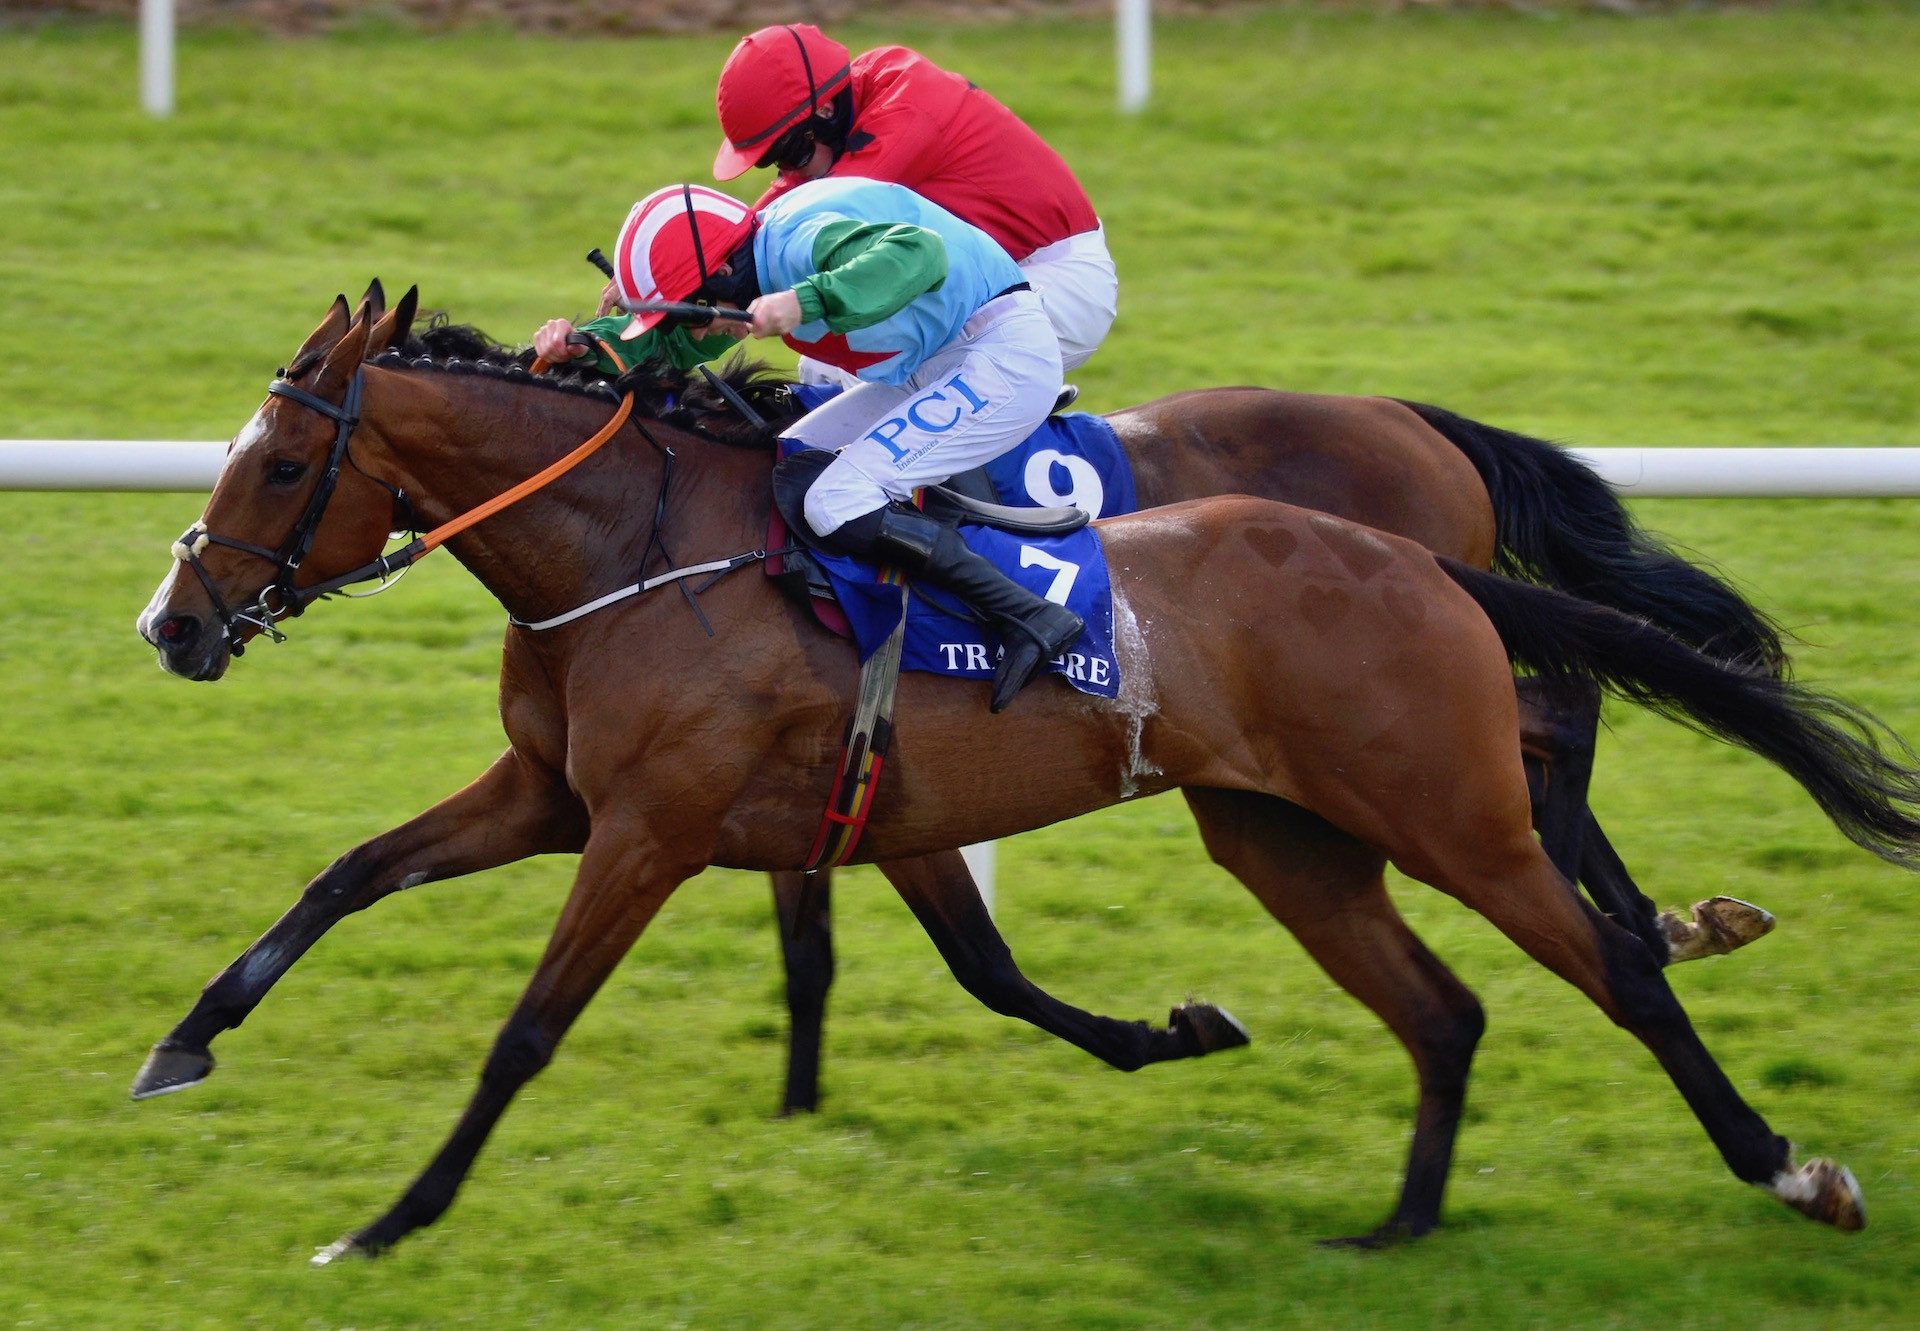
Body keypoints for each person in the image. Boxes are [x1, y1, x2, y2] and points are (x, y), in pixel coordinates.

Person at [533, 179, 1082, 712]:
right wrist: (584, 349)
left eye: (695, 305)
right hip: (940, 360)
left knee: (834, 500)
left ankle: (1031, 616)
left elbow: (921, 254)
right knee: (792, 459)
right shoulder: (745, 255)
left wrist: (805, 301)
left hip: (1003, 359)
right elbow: (675, 337)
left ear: (722, 273)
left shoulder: (798, 241)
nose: (704, 332)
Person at [709, 23, 1117, 383]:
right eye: (773, 161)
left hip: (1061, 282)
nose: (787, 171)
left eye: (791, 153)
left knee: (857, 372)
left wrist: (730, 285)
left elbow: (792, 222)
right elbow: (752, 228)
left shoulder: (906, 109)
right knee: (823, 368)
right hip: (1004, 277)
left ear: (827, 110)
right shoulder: (844, 112)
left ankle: (1007, 443)